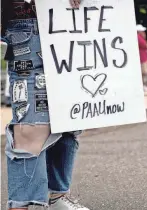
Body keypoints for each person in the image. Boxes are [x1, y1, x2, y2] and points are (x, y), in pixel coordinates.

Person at [1, 0, 89, 209]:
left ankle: (58, 196)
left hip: (68, 22)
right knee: (30, 126)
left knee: (69, 119)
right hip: (27, 24)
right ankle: (21, 204)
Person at [137, 24, 147, 92]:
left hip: (143, 57)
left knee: (144, 73)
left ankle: (143, 85)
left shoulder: (140, 37)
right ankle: (142, 86)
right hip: (142, 58)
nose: (144, 32)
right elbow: (146, 45)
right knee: (144, 72)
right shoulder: (138, 37)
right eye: (142, 31)